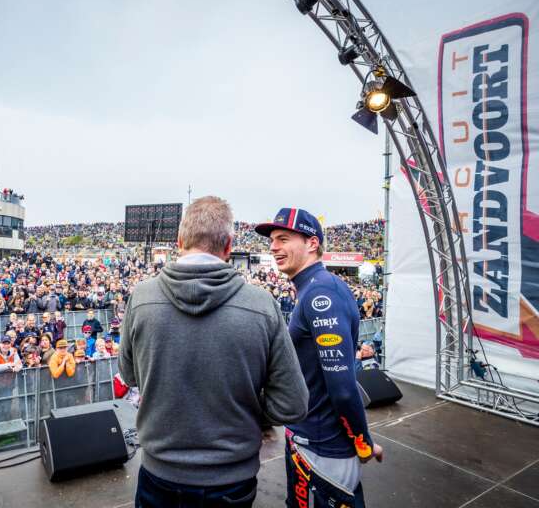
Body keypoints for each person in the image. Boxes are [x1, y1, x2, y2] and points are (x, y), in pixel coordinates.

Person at [119, 196, 309, 508]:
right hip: (231, 480)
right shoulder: (262, 306)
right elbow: (294, 404)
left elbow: (128, 374)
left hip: (158, 474)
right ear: (228, 246)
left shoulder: (141, 298)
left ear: (179, 241)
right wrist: (248, 409)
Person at [255, 207, 382, 508]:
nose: (273, 247)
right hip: (306, 438)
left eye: (283, 238)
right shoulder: (312, 289)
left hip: (324, 447)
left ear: (312, 244)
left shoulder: (320, 293)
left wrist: (362, 442)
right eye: (272, 240)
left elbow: (341, 385)